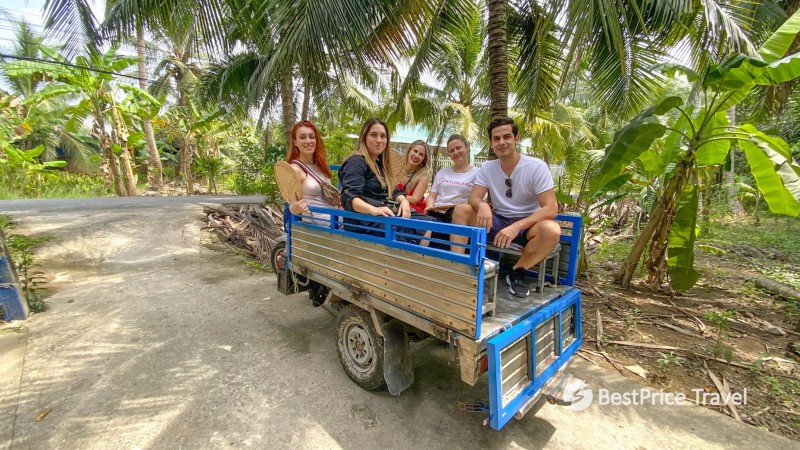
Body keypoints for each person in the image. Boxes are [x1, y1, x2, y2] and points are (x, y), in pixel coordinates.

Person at [452, 117, 561, 298]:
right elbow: (474, 198)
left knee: (552, 229)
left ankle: (518, 271)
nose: (502, 142)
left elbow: (551, 209)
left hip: (527, 226)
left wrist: (517, 226)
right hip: (498, 222)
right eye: (496, 139)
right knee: (461, 210)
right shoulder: (487, 167)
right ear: (491, 143)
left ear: (516, 138)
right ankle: (459, 267)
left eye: (507, 137)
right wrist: (483, 206)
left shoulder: (536, 167)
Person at [339, 118, 412, 235]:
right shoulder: (356, 162)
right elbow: (350, 197)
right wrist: (373, 210)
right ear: (364, 137)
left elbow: (393, 190)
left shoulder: (380, 164)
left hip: (383, 215)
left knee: (431, 223)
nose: (379, 140)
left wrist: (404, 201)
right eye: (373, 135)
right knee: (406, 230)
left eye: (383, 136)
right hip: (363, 220)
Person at [284, 120, 335, 223]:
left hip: (334, 216)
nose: (308, 141)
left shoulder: (320, 165)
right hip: (319, 223)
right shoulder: (294, 169)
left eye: (312, 137)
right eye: (302, 137)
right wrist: (296, 207)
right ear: (295, 142)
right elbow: (292, 206)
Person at [425, 134, 479, 224]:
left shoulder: (478, 173)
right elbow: (432, 196)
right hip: (436, 213)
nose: (455, 152)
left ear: (467, 147)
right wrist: (430, 207)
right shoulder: (442, 173)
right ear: (449, 154)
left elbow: (477, 199)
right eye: (452, 151)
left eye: (458, 148)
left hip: (457, 216)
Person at [397, 140, 430, 215]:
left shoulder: (424, 176)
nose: (417, 155)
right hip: (393, 204)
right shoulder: (397, 168)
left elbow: (415, 200)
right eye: (415, 151)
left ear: (423, 160)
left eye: (421, 154)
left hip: (412, 210)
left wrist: (395, 196)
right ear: (409, 151)